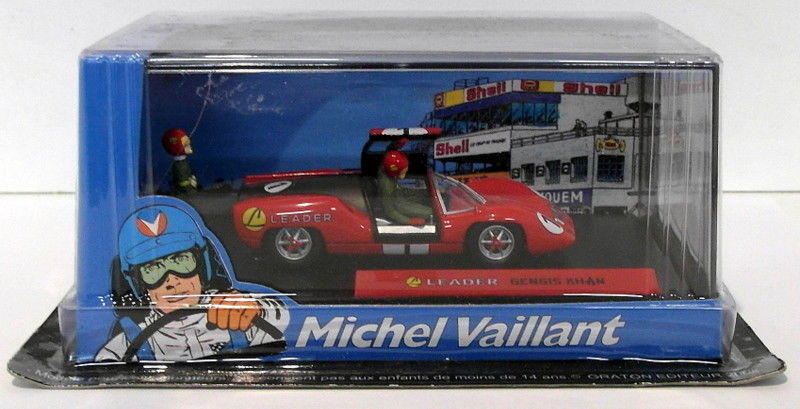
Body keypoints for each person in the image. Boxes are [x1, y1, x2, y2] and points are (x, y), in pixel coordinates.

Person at [95, 204, 289, 362]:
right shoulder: (130, 339)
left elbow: (284, 319)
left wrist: (253, 308)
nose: (172, 282)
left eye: (180, 260)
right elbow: (105, 364)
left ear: (202, 264)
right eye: (153, 269)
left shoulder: (232, 308)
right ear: (138, 282)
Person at [376, 150, 433, 226]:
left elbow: (399, 190)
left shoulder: (387, 171)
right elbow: (390, 211)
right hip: (398, 205)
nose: (403, 176)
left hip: (399, 199)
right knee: (432, 212)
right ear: (393, 169)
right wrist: (408, 221)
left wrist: (424, 192)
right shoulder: (386, 186)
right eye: (402, 172)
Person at [162, 128, 198, 193]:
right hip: (185, 194)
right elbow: (183, 182)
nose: (190, 147)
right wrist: (190, 190)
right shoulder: (180, 165)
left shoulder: (182, 163)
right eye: (186, 145)